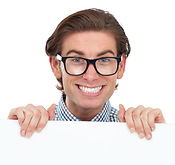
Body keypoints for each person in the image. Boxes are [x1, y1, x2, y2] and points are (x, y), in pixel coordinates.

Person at [8, 8, 165, 140]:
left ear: (121, 65)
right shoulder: (26, 130)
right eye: (77, 60)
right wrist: (9, 136)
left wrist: (164, 141)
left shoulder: (141, 133)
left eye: (104, 60)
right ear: (56, 65)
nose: (91, 76)